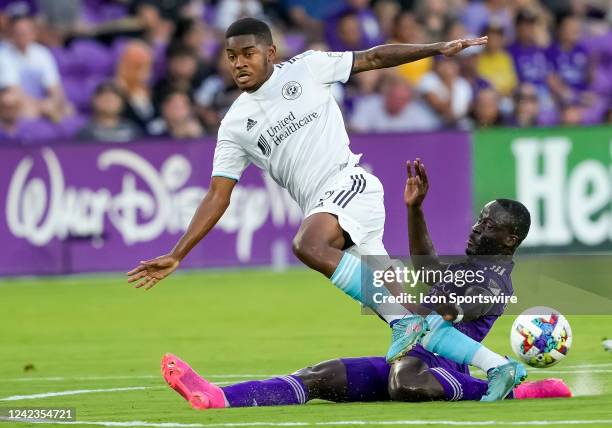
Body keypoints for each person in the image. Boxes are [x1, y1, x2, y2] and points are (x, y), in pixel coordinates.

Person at [127, 17, 523, 401]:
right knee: (415, 312)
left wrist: (435, 49)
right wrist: (178, 253)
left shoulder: (307, 68)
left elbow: (372, 58)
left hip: (350, 186)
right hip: (332, 214)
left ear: (271, 52)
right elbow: (218, 194)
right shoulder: (234, 125)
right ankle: (499, 368)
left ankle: (409, 325)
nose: (239, 63)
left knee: (308, 245)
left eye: (248, 53)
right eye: (232, 57)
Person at [158, 160, 570, 409]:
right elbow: (425, 268)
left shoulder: (496, 280)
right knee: (321, 374)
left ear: (510, 240)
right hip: (410, 358)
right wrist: (415, 209)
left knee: (407, 377)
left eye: (488, 225)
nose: (477, 228)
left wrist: (425, 312)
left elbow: (470, 306)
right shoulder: (468, 265)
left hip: (440, 369)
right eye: (479, 219)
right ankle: (218, 396)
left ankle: (505, 387)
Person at [0, 14, 71, 121]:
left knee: (68, 109)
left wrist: (53, 103)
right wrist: (41, 106)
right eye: (18, 32)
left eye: (26, 31)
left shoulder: (42, 52)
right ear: (11, 33)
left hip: (43, 104)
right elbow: (13, 90)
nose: (23, 35)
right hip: (21, 103)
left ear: (34, 33)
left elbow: (55, 87)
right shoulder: (3, 54)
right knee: (14, 103)